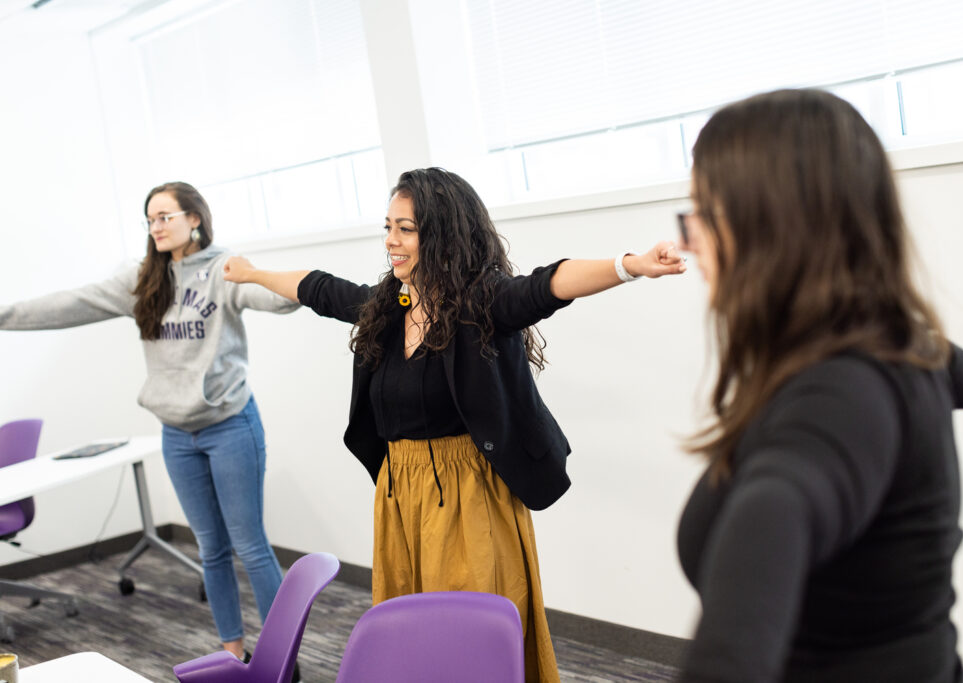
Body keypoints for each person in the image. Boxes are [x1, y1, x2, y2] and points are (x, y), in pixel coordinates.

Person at [221, 166, 687, 683]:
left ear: (439, 233)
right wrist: (252, 273)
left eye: (405, 229)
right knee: (409, 634)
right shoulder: (388, 306)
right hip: (401, 494)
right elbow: (318, 289)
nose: (391, 242)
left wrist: (631, 265)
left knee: (469, 637)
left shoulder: (481, 301)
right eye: (388, 227)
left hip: (468, 494)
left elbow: (548, 285)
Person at [674, 89, 963, 682]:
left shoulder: (837, 399)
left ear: (773, 226)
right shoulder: (895, 342)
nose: (689, 239)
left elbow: (779, 502)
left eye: (703, 214)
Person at [0, 182, 302, 675]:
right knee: (211, 547)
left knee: (250, 543)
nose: (156, 227)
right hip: (177, 434)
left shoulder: (224, 269)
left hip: (230, 426)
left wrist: (271, 277)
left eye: (165, 216)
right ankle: (231, 653)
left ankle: (281, 659)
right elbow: (68, 304)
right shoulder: (142, 279)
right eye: (150, 219)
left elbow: (279, 300)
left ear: (194, 219)